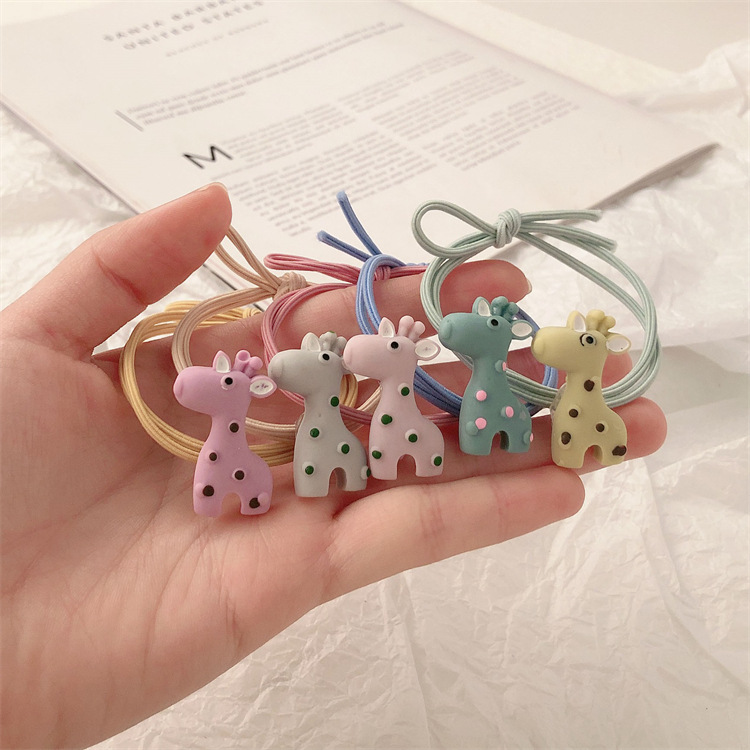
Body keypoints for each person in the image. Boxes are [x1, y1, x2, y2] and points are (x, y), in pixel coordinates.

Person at [0, 184, 666, 748]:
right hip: (326, 445)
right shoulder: (280, 406)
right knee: (329, 453)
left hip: (416, 429)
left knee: (433, 437)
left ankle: (502, 437)